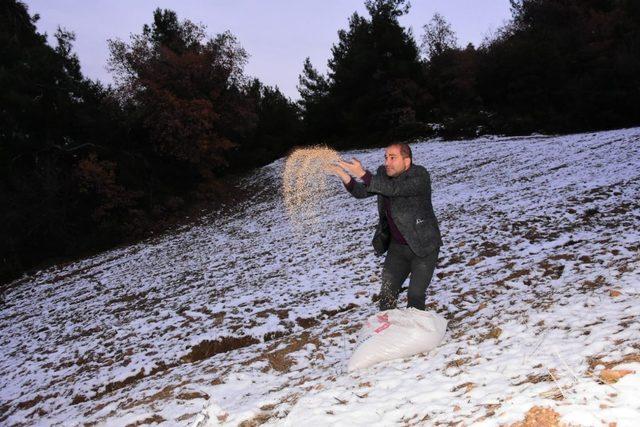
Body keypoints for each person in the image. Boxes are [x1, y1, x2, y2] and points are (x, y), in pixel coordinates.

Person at [328, 143, 443, 311]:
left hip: (423, 247)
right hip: (397, 249)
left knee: (415, 296)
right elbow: (362, 192)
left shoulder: (420, 175)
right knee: (387, 296)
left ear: (407, 161)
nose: (387, 162)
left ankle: (417, 334)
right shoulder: (383, 174)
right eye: (386, 157)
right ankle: (388, 331)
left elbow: (394, 189)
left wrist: (362, 173)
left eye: (392, 157)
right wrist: (342, 174)